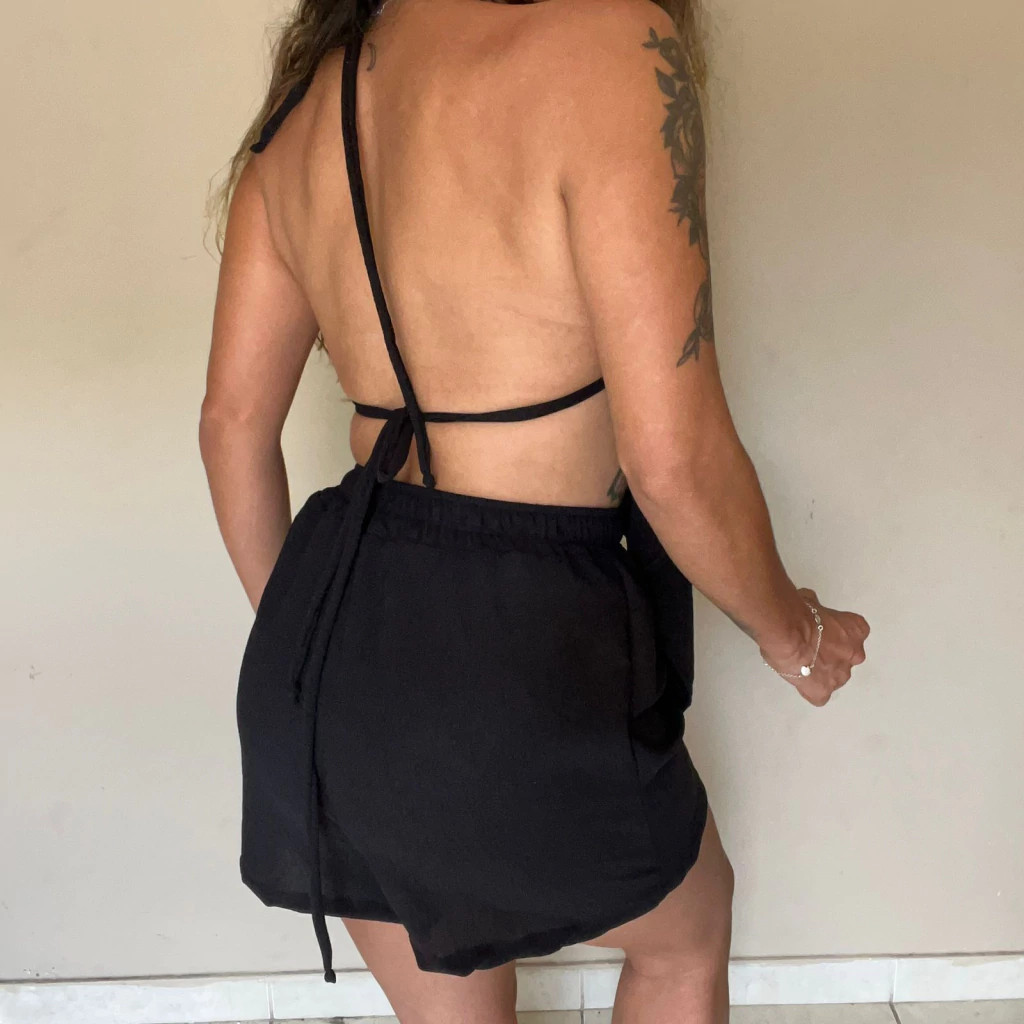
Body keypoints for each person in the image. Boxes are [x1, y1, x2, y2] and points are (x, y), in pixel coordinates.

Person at [200, 0, 870, 1021]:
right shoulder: (608, 44)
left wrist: (322, 654)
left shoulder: (305, 107)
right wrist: (795, 634)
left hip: (334, 645)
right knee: (683, 941)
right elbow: (671, 461)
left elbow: (230, 430)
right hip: (517, 638)